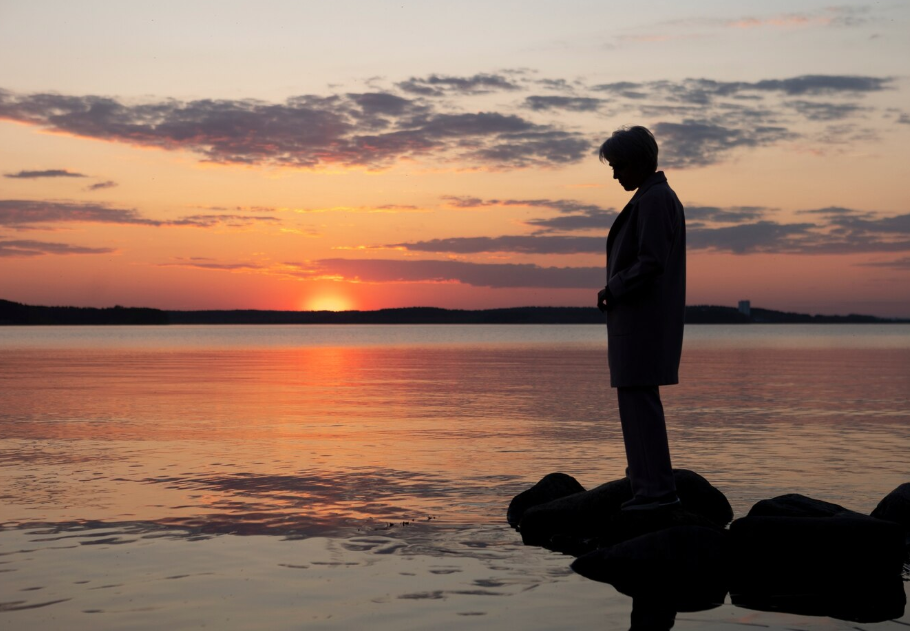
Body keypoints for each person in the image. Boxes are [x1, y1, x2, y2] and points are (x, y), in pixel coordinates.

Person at [597, 126, 686, 511]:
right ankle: (645, 481)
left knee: (640, 404)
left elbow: (650, 262)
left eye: (618, 166)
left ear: (637, 162)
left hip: (643, 322)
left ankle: (655, 491)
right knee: (636, 403)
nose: (615, 175)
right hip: (639, 322)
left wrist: (613, 288)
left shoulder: (654, 200)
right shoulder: (653, 198)